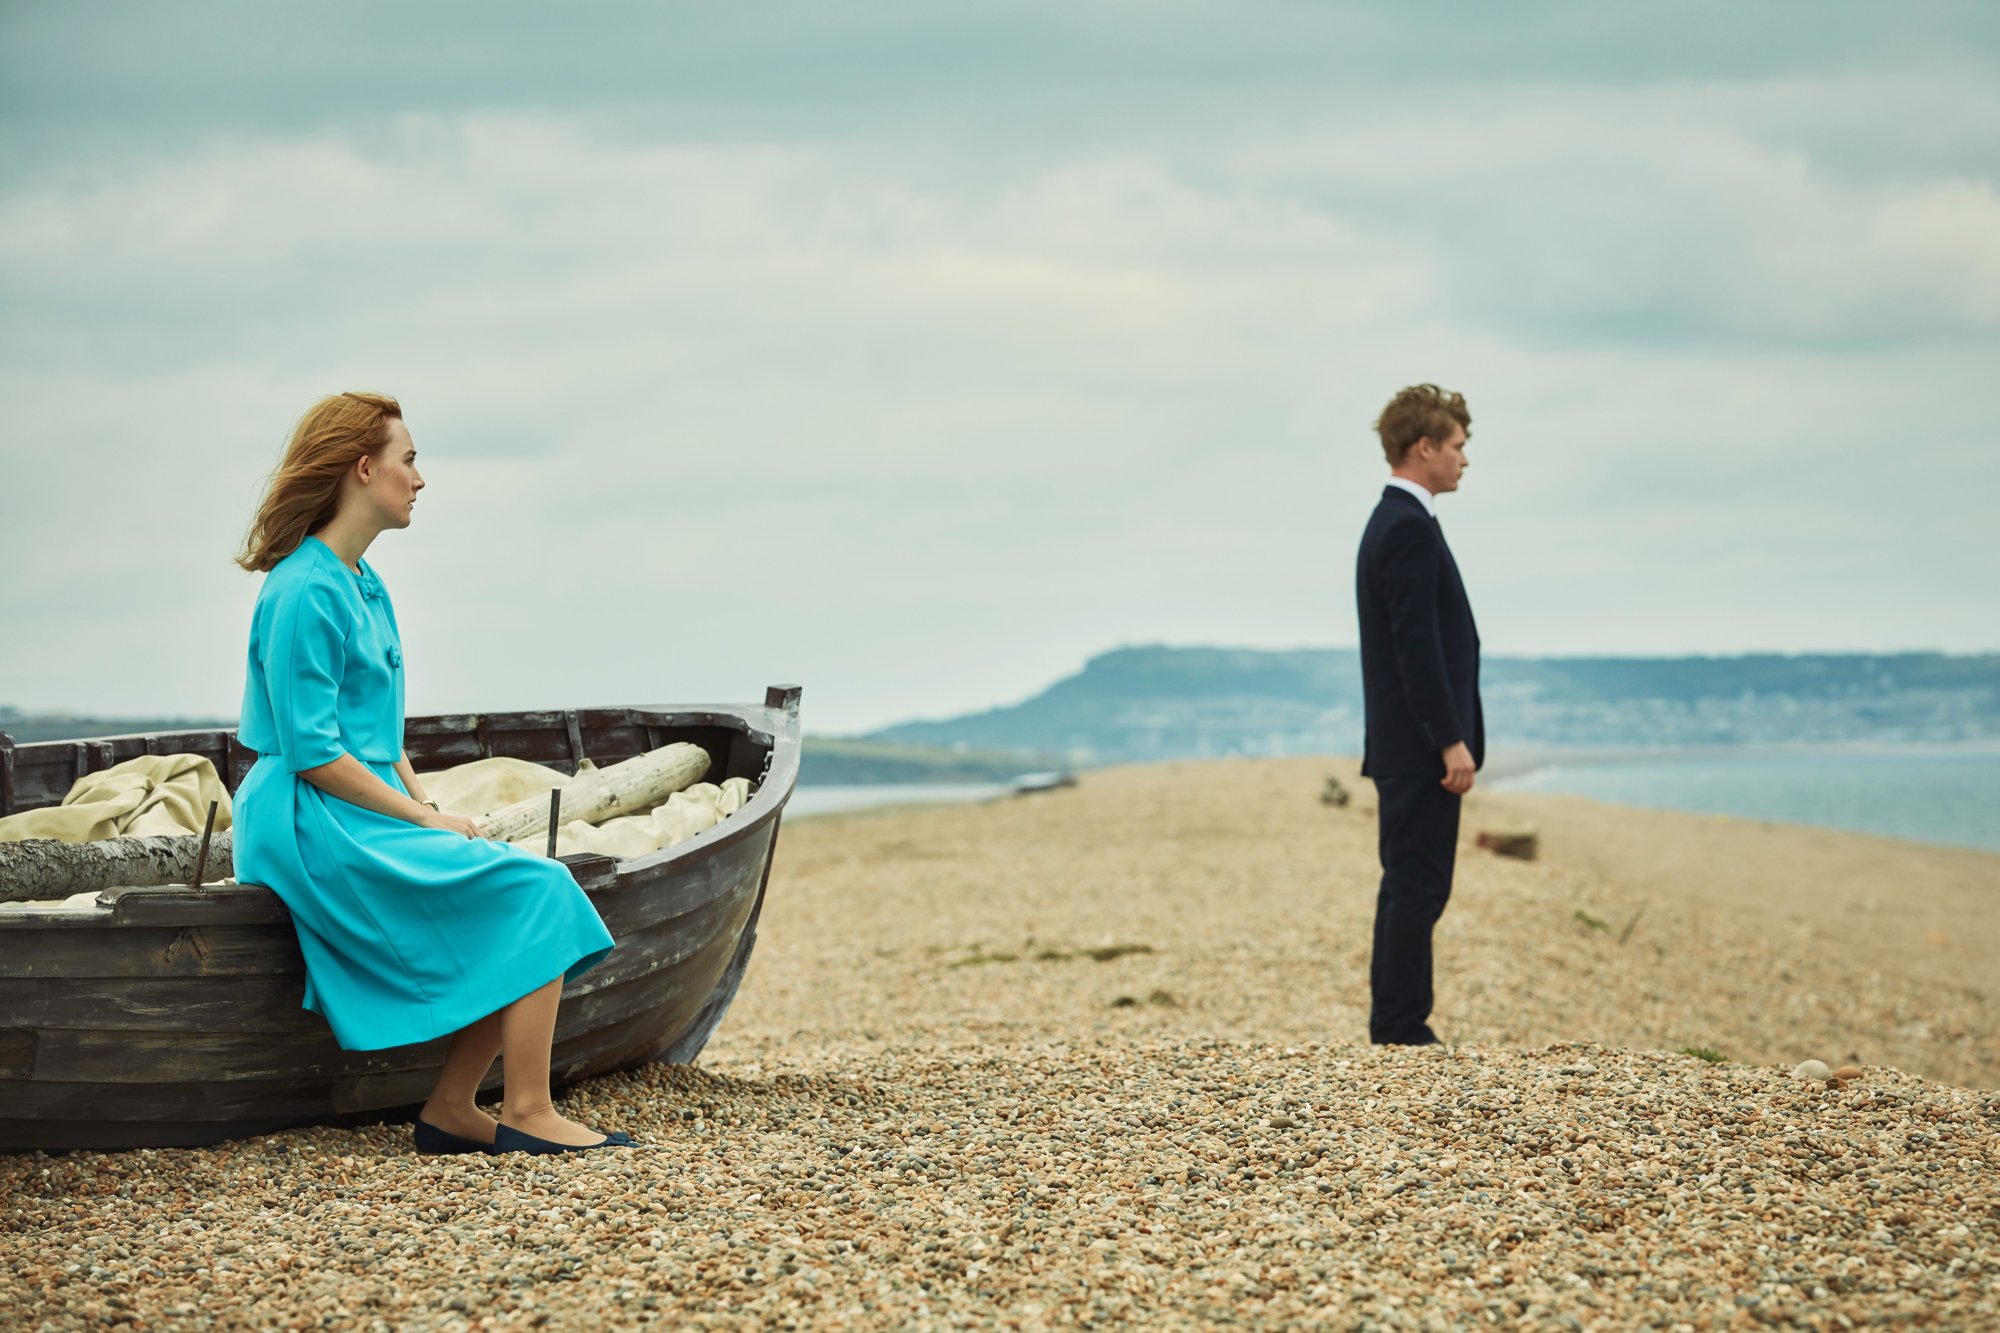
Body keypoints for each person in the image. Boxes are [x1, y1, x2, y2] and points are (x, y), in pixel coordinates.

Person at [232, 391, 630, 1154]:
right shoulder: (306, 588)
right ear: (362, 468)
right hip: (306, 821)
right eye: (409, 460)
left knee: (503, 889)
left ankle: (452, 1108)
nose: (420, 478)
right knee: (537, 887)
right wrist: (419, 821)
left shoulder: (361, 580)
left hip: (352, 806)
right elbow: (313, 751)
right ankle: (529, 1108)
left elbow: (371, 732)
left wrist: (426, 799)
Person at [1353, 383, 1483, 1046]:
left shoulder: (1404, 521)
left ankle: (1399, 1021)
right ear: (1423, 446)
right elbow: (1417, 649)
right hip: (1418, 750)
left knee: (1412, 883)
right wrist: (1449, 741)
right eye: (1458, 446)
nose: (1465, 459)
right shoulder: (1405, 526)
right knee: (1417, 885)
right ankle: (1401, 1028)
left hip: (1410, 747)